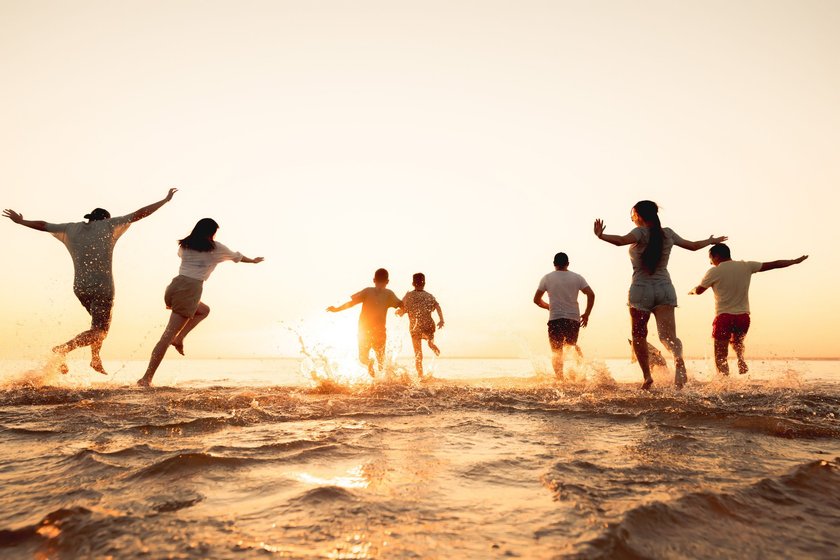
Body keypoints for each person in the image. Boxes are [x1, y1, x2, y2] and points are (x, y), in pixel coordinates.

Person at [3, 188, 177, 374]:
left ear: (90, 218)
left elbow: (44, 225)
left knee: (96, 325)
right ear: (105, 219)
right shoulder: (109, 225)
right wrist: (165, 200)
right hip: (102, 286)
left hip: (80, 287)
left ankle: (95, 358)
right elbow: (139, 214)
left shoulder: (71, 228)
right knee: (101, 330)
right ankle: (63, 349)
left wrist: (21, 221)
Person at [594, 200, 726, 390]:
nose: (632, 218)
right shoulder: (668, 233)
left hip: (641, 290)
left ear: (639, 215)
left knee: (638, 335)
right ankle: (678, 358)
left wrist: (601, 235)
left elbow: (621, 240)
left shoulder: (639, 233)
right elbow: (694, 246)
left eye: (632, 215)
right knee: (668, 337)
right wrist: (711, 241)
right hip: (665, 289)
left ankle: (647, 377)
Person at [137, 218, 263, 387]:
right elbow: (237, 257)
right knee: (166, 337)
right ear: (211, 232)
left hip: (175, 286)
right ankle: (146, 378)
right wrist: (253, 261)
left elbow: (183, 257)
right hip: (190, 289)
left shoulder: (185, 245)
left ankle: (179, 338)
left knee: (203, 310)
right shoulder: (215, 248)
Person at [689, 243, 808, 376]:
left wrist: (692, 291)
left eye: (710, 258)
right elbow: (774, 264)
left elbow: (699, 291)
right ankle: (741, 359)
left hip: (724, 317)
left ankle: (724, 385)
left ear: (716, 256)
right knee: (737, 342)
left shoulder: (714, 271)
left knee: (720, 355)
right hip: (743, 317)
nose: (710, 262)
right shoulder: (746, 266)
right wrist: (794, 262)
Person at [326, 268, 402, 377]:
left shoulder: (367, 291)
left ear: (373, 280)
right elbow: (401, 305)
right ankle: (384, 384)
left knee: (362, 358)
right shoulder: (389, 294)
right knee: (381, 361)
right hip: (380, 331)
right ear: (387, 281)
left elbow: (351, 303)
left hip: (364, 330)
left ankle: (368, 362)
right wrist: (404, 306)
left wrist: (337, 309)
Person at [533, 252, 595, 380]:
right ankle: (581, 373)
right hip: (573, 319)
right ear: (568, 264)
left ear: (554, 264)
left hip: (555, 319)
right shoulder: (577, 278)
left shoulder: (547, 278)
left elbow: (536, 300)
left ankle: (561, 380)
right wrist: (587, 314)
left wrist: (549, 307)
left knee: (557, 351)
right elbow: (591, 294)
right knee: (571, 346)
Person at [396, 273, 444, 378]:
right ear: (424, 283)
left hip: (415, 328)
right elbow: (437, 307)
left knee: (418, 354)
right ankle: (432, 345)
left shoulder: (409, 296)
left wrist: (398, 312)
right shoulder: (429, 296)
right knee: (430, 341)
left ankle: (420, 375)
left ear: (413, 283)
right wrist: (441, 320)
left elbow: (402, 311)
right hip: (428, 325)